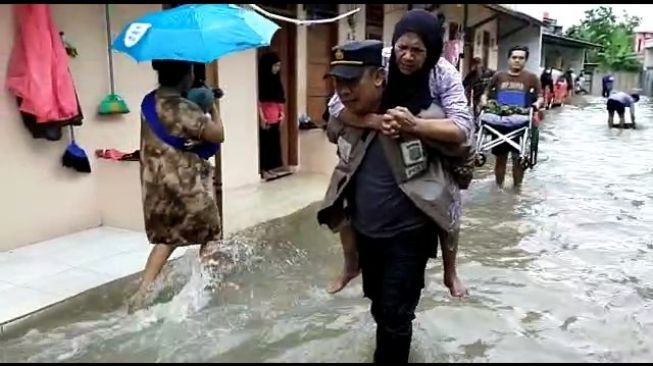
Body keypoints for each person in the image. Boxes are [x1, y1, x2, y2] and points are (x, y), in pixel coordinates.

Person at [319, 16, 473, 363]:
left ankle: (450, 272)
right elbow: (334, 111)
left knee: (396, 314)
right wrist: (376, 120)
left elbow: (463, 130)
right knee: (379, 303)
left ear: (430, 51)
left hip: (413, 214)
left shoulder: (442, 75)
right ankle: (352, 266)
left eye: (417, 50)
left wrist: (416, 125)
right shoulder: (375, 67)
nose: (407, 56)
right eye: (402, 47)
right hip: (368, 221)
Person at [129, 60, 226, 312]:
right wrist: (213, 107)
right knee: (211, 234)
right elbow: (218, 135)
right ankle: (204, 286)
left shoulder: (149, 102)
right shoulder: (183, 108)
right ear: (186, 74)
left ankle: (142, 293)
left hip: (156, 187)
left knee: (168, 237)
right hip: (187, 187)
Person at [481, 45, 543, 189]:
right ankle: (498, 189)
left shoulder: (532, 78)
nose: (517, 61)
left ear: (525, 60)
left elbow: (540, 97)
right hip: (499, 120)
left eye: (521, 58)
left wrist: (536, 105)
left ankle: (517, 190)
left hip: (520, 121)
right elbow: (486, 93)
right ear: (509, 59)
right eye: (514, 57)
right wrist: (484, 102)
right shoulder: (499, 76)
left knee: (518, 160)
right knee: (500, 159)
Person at [257, 52, 290, 181]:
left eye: (279, 66)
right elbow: (259, 101)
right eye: (275, 65)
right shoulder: (261, 81)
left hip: (275, 116)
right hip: (266, 117)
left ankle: (271, 168)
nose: (277, 68)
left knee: (274, 143)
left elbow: (279, 99)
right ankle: (264, 169)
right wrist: (261, 117)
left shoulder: (276, 80)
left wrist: (282, 113)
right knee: (265, 143)